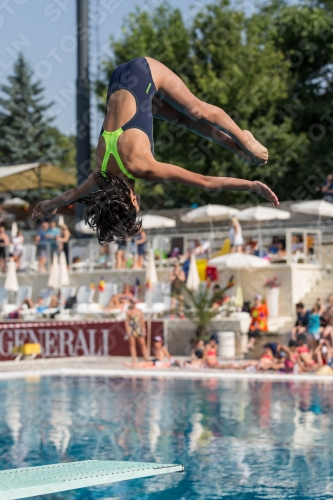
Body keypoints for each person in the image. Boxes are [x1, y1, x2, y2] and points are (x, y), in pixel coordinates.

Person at [31, 57, 278, 240]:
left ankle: (244, 140)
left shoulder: (142, 167)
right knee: (182, 119)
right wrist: (47, 205)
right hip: (119, 79)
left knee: (196, 110)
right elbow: (70, 195)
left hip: (145, 72)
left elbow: (206, 182)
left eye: (137, 208)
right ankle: (238, 148)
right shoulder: (99, 175)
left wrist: (252, 186)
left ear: (132, 200)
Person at [125, 300, 149, 364]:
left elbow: (142, 320)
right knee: (132, 345)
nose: (133, 304)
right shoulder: (129, 311)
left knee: (143, 344)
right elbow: (127, 321)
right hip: (132, 329)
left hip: (138, 329)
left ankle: (146, 358)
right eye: (132, 302)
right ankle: (134, 359)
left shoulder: (139, 311)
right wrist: (127, 330)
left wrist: (144, 329)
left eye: (134, 303)